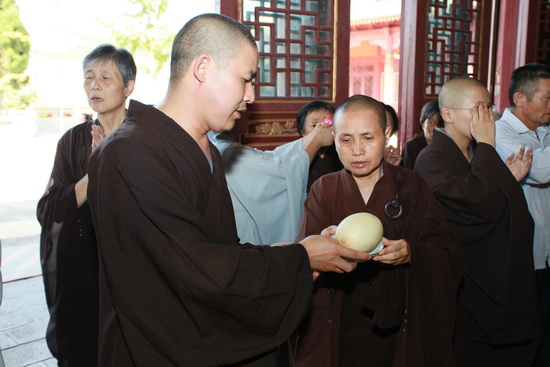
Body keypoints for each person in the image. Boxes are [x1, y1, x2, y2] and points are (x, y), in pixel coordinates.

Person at [86, 13, 371, 366]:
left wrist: (292, 252)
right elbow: (192, 268)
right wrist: (300, 259)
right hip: (157, 346)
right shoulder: (128, 154)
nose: (251, 96)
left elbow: (216, 249)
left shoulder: (206, 149)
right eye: (246, 79)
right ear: (203, 68)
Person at [292, 95, 463, 367]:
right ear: (333, 137)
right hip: (338, 314)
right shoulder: (324, 189)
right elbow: (302, 262)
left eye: (368, 138)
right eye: (346, 140)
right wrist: (319, 249)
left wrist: (411, 252)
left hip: (398, 320)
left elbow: (445, 253)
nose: (357, 150)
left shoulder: (411, 186)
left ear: (386, 134)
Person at [414, 76, 539, 367]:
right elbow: (478, 203)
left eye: (489, 107)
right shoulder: (431, 157)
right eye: (478, 108)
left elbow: (489, 197)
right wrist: (487, 144)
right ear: (448, 114)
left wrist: (505, 178)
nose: (488, 116)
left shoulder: (472, 152)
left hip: (493, 277)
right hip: (466, 280)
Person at [36, 44, 136, 366]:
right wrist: (95, 172)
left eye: (106, 77)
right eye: (88, 77)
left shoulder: (144, 138)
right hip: (83, 268)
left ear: (129, 86)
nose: (94, 85)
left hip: (133, 267)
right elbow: (49, 210)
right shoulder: (73, 141)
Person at [494, 63, 550, 367]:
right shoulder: (499, 134)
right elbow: (538, 170)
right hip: (525, 253)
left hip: (547, 250)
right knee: (524, 334)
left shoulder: (545, 131)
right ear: (520, 98)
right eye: (547, 97)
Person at [209, 115, 333, 244]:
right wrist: (316, 141)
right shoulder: (226, 149)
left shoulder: (220, 142)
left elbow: (271, 156)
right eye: (241, 110)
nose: (248, 115)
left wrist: (311, 139)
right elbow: (278, 173)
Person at [295, 100, 343, 192]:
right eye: (314, 125)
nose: (322, 128)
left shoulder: (342, 151)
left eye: (328, 123)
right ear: (302, 132)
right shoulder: (296, 156)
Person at [402, 99, 443, 170]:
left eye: (440, 123)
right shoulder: (411, 147)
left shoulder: (449, 146)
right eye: (430, 122)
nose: (436, 128)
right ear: (422, 125)